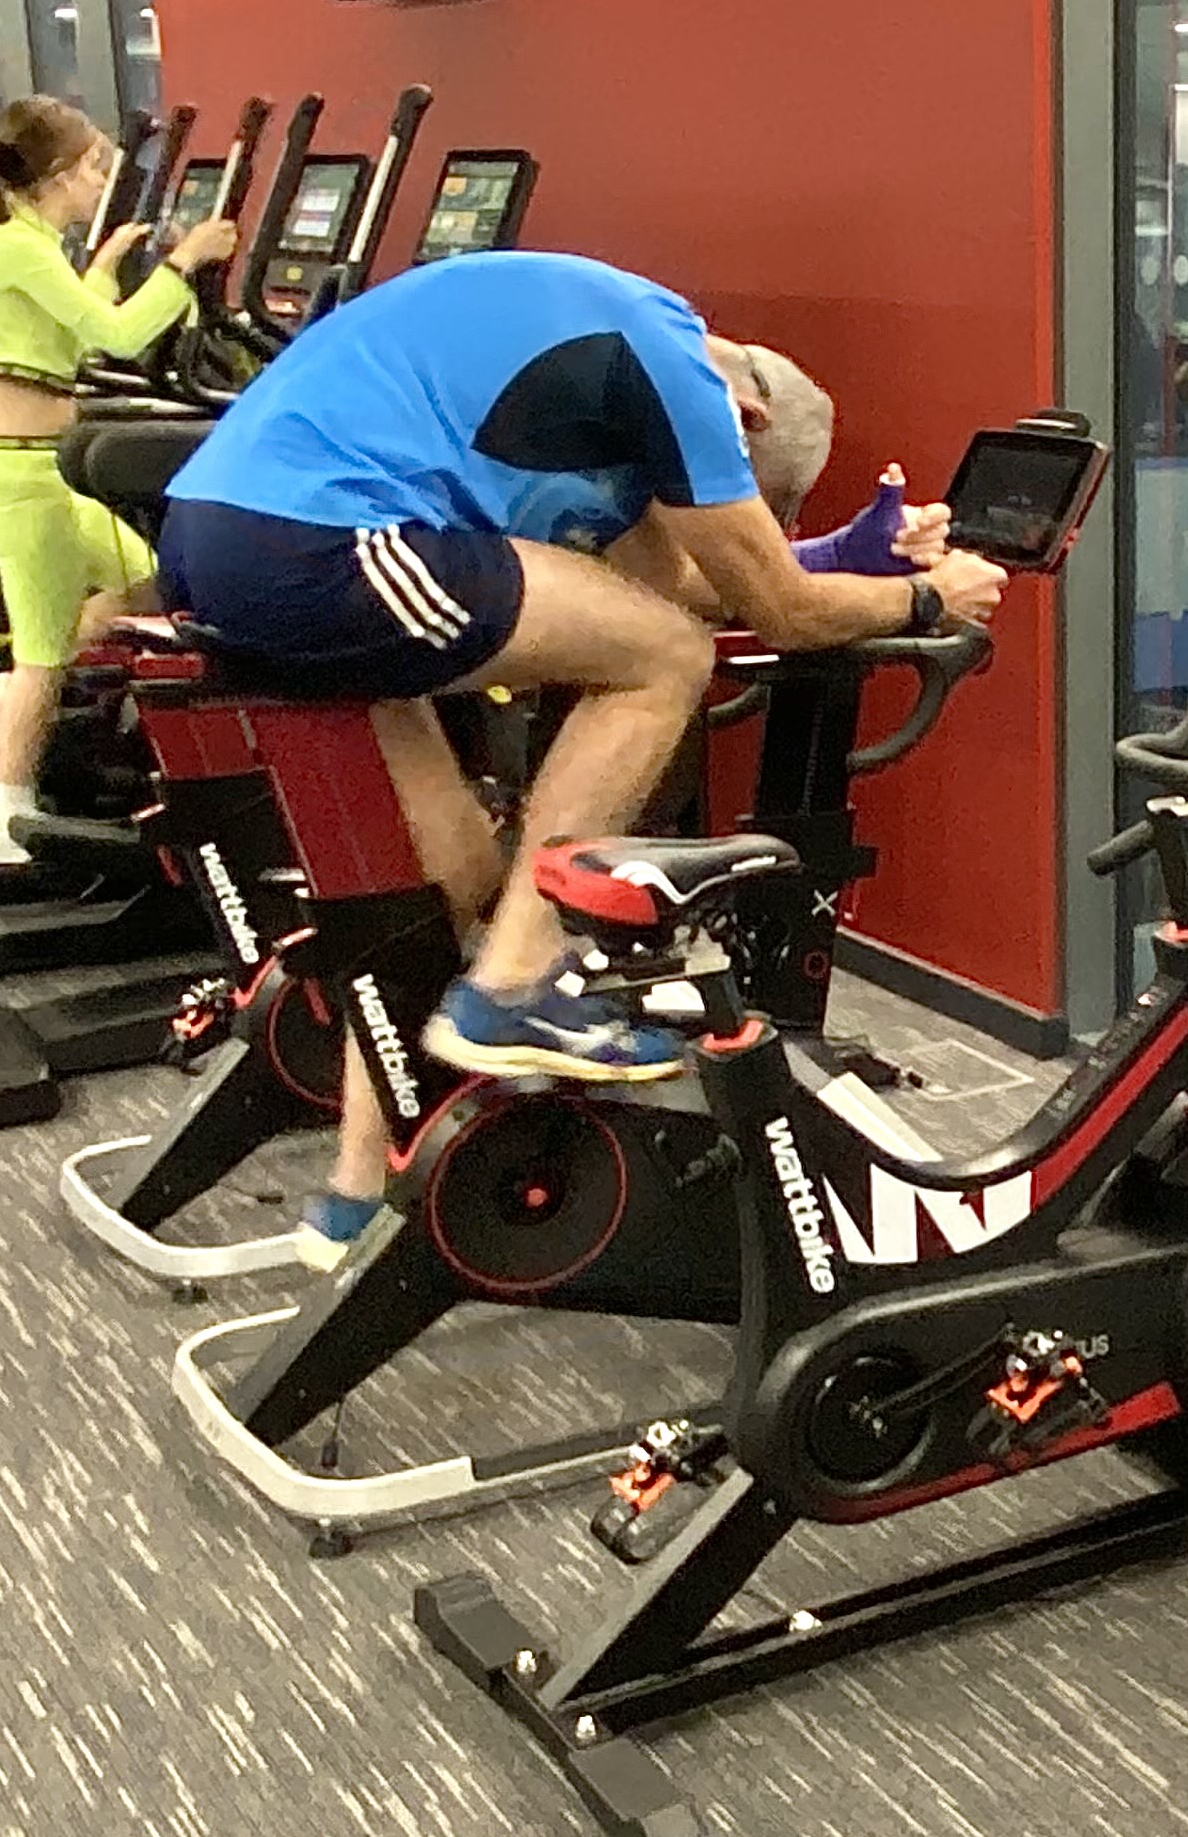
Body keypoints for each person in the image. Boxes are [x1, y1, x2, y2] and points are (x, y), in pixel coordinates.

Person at [154, 249, 1007, 1265]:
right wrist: (925, 598)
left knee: (446, 876)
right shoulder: (670, 360)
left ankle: (356, 1198)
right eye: (745, 496)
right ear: (744, 421)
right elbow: (765, 611)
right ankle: (517, 983)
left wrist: (845, 561)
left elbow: (682, 581)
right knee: (667, 660)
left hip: (223, 539)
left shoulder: (604, 392)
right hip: (319, 538)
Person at [0, 97, 244, 864]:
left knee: (150, 582)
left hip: (30, 470)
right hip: (20, 478)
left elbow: (74, 333)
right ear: (60, 173)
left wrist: (105, 269)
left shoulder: (27, 246)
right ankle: (1, 816)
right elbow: (118, 335)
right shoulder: (17, 248)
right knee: (42, 654)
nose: (99, 185)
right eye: (95, 170)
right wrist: (183, 263)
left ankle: (12, 698)